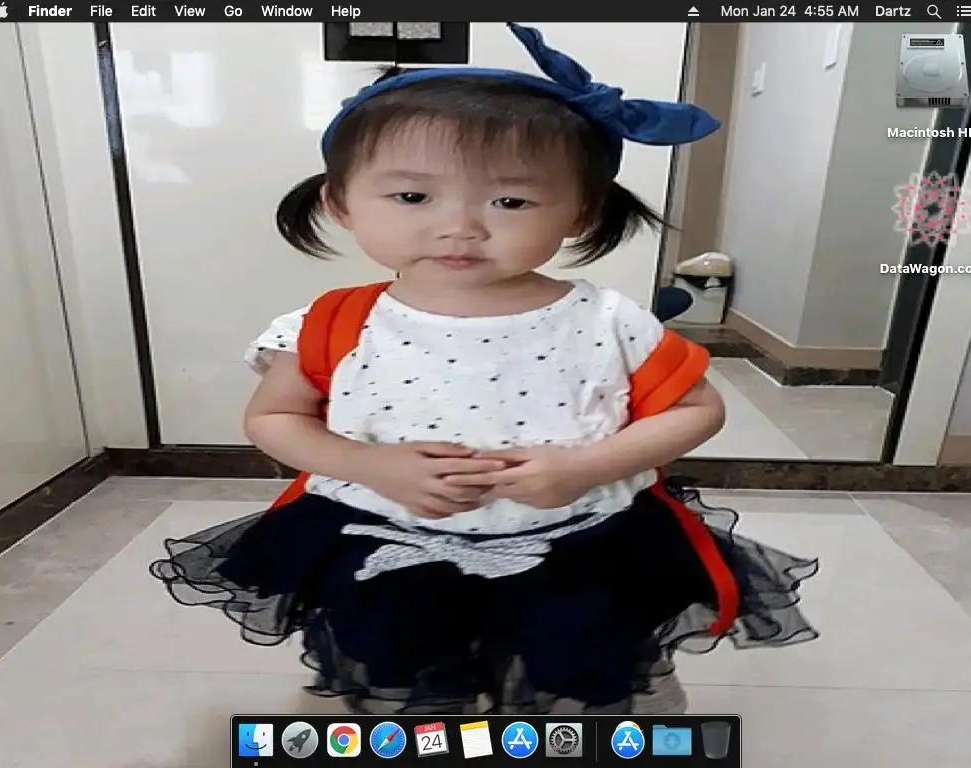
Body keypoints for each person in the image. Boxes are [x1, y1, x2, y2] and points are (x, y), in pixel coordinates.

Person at [150, 23, 818, 716]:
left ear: (581, 210)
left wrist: (584, 467)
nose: (461, 226)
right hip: (388, 543)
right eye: (413, 197)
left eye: (511, 201)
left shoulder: (607, 320)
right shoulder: (330, 323)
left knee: (594, 687)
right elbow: (274, 417)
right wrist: (368, 464)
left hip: (580, 544)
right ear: (340, 203)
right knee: (410, 686)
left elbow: (696, 409)